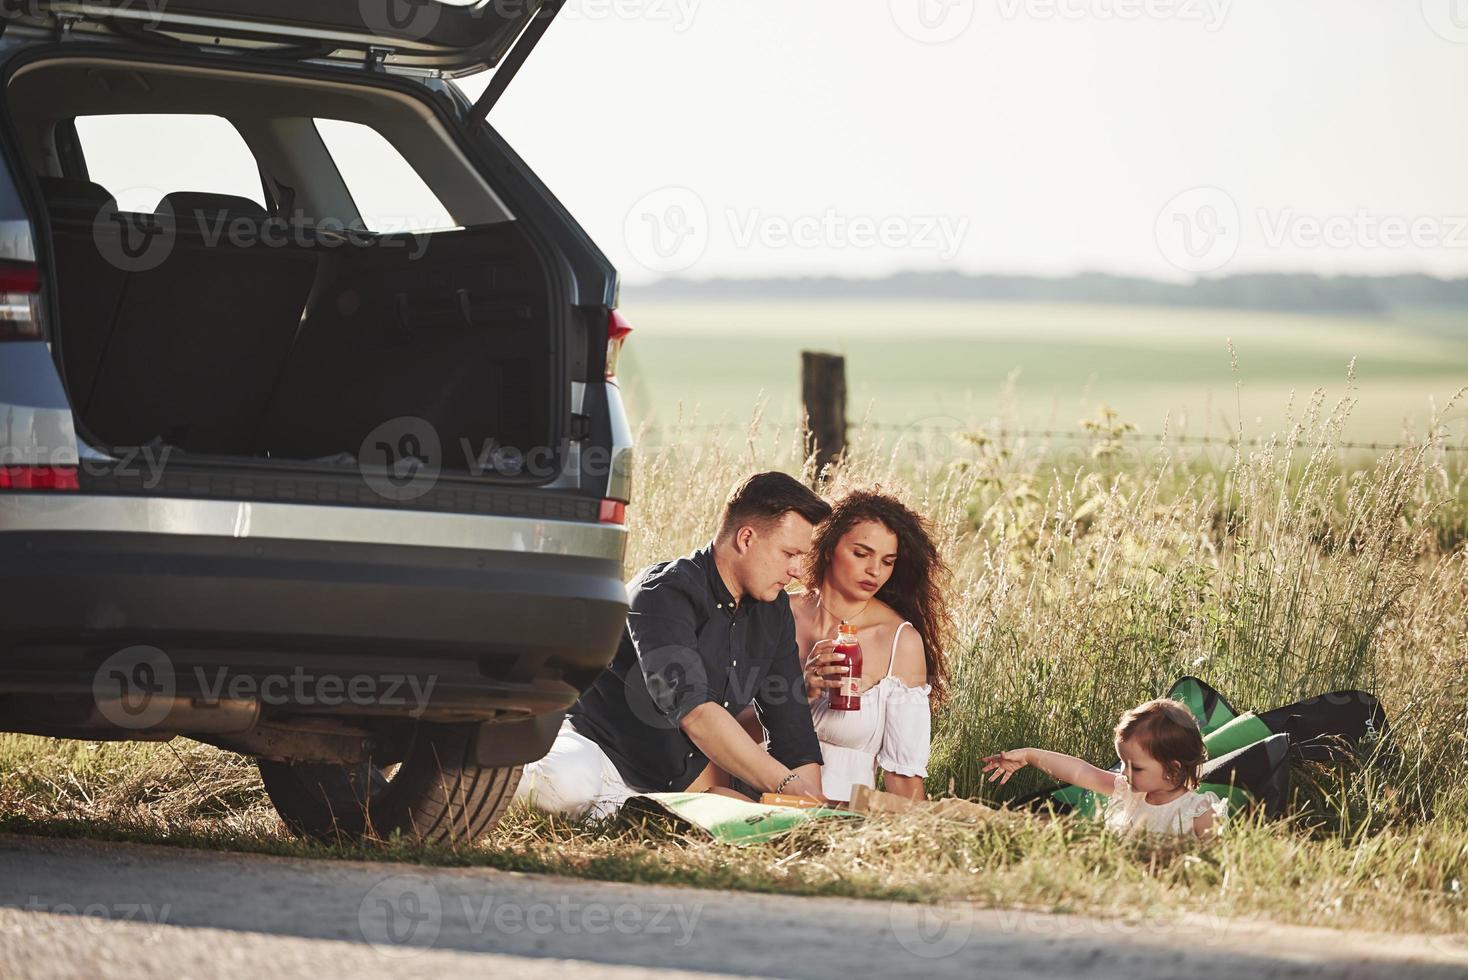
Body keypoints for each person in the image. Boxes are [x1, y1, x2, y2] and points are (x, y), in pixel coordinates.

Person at [513, 471, 832, 818]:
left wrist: (812, 811)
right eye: (789, 553)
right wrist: (786, 787)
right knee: (564, 785)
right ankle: (489, 777)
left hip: (680, 788)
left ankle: (628, 814)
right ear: (746, 538)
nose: (799, 570)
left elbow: (792, 729)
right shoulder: (662, 594)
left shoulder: (774, 611)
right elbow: (695, 714)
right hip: (603, 758)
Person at [790, 489, 953, 804]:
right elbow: (720, 729)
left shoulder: (898, 642)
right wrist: (797, 694)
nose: (875, 571)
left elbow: (904, 782)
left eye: (887, 561)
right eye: (861, 554)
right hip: (751, 803)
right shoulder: (775, 613)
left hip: (840, 820)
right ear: (828, 549)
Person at [981, 698, 1228, 838]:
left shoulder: (1197, 812)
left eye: (1136, 768)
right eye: (1123, 763)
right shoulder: (1132, 791)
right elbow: (1079, 772)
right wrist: (1029, 755)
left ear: (1172, 770)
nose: (1124, 773)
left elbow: (1217, 867)